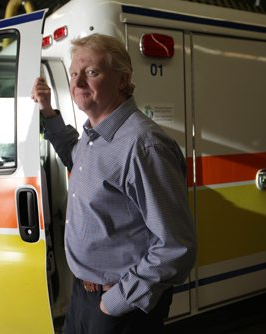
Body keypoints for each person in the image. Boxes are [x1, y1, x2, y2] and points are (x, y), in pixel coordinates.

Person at [31, 33, 196, 334]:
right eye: (74, 73)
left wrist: (115, 302)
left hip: (120, 305)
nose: (78, 82)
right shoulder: (93, 138)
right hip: (84, 297)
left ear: (123, 80)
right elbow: (73, 155)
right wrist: (47, 110)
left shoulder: (143, 145)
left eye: (91, 72)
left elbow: (175, 247)